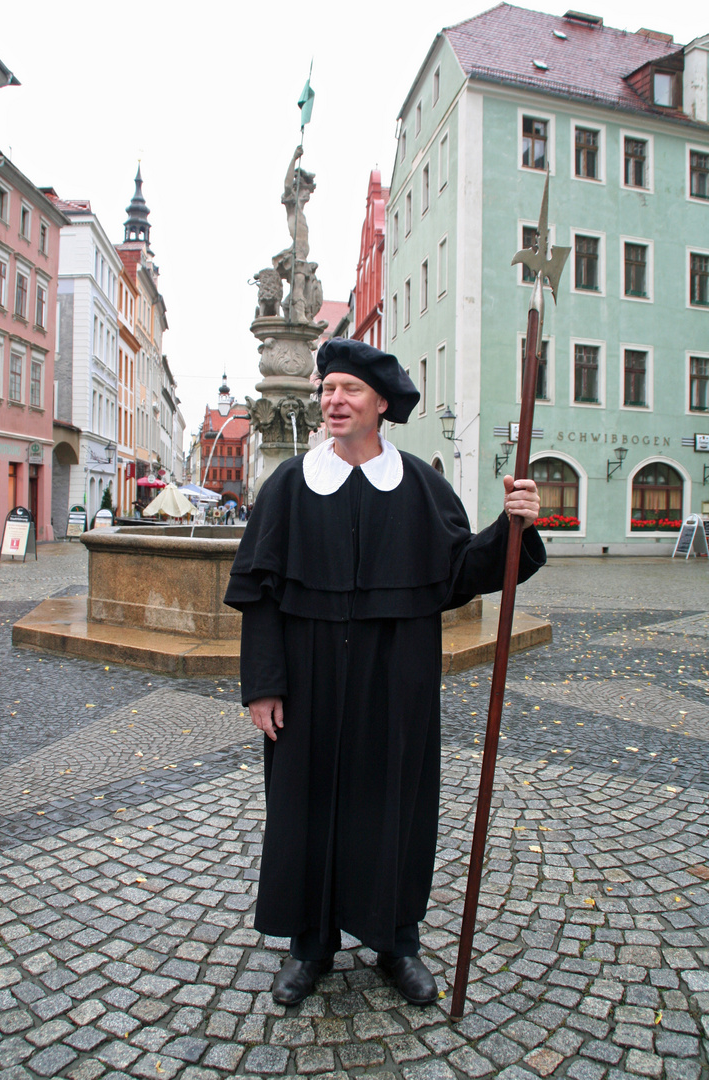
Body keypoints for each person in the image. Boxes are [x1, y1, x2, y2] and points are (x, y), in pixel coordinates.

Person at [224, 339, 544, 1008]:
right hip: (306, 681)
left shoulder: (421, 486)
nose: (333, 401)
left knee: (393, 804)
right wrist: (263, 685)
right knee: (305, 808)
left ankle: (395, 939)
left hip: (396, 677)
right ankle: (310, 947)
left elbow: (460, 574)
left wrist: (511, 528)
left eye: (349, 390)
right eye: (326, 390)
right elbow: (258, 593)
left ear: (379, 404)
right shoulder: (288, 484)